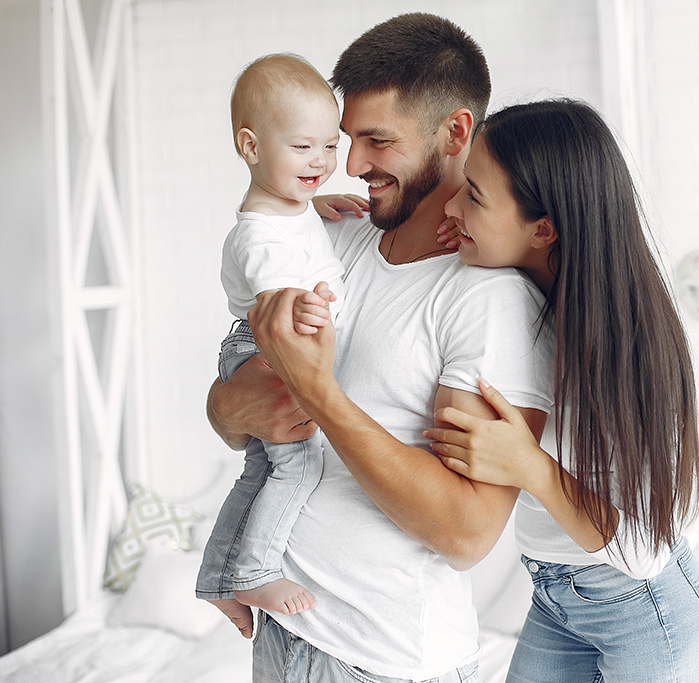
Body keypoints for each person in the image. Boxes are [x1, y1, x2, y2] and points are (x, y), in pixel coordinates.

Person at [205, 13, 552, 683]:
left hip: (381, 661)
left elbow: (466, 532)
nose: (352, 163)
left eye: (376, 140)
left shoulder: (492, 302)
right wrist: (232, 406)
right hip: (283, 638)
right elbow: (229, 417)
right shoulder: (332, 239)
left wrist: (320, 395)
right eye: (345, 139)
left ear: (454, 132)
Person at [425, 99, 699, 681]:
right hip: (556, 599)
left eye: (475, 197)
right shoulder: (522, 294)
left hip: (648, 613)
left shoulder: (626, 345)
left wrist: (530, 466)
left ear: (544, 228)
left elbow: (641, 552)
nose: (452, 204)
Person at [196, 52, 370, 624]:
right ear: (250, 147)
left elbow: (273, 219)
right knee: (298, 468)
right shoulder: (262, 241)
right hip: (268, 352)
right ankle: (255, 573)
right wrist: (312, 307)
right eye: (303, 148)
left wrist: (309, 205)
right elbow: (278, 308)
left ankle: (221, 575)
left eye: (328, 146)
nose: (321, 161)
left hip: (255, 346)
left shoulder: (283, 212)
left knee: (259, 471)